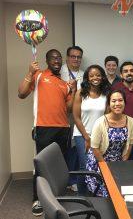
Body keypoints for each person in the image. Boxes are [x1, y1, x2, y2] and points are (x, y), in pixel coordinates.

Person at [18, 49, 77, 216]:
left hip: (63, 129)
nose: (57, 60)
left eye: (59, 58)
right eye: (53, 58)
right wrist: (29, 72)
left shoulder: (64, 83)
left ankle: (55, 196)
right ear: (47, 60)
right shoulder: (38, 75)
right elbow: (21, 93)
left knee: (59, 165)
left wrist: (72, 91)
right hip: (44, 128)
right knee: (41, 164)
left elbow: (68, 109)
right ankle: (37, 199)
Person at [86, 90, 133, 197]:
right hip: (99, 162)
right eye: (113, 101)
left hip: (117, 162)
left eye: (120, 100)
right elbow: (94, 148)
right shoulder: (100, 122)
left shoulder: (130, 121)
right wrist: (105, 167)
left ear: (125, 103)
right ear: (109, 104)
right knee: (106, 195)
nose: (117, 104)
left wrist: (123, 161)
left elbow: (130, 143)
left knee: (121, 193)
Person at [72, 65, 110, 195]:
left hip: (99, 137)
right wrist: (87, 137)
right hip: (82, 135)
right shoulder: (80, 93)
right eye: (92, 75)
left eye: (98, 75)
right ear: (87, 78)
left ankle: (95, 193)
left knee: (97, 166)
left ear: (102, 77)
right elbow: (76, 117)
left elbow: (107, 117)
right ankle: (82, 196)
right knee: (85, 166)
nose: (95, 78)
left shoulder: (106, 94)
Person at [60, 46, 84, 192]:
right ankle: (61, 180)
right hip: (61, 116)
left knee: (75, 148)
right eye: (73, 56)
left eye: (79, 57)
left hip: (78, 117)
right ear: (67, 57)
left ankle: (73, 179)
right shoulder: (60, 72)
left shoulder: (84, 73)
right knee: (63, 149)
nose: (76, 59)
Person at [112, 61, 133, 159]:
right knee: (119, 165)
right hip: (118, 133)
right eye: (125, 71)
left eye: (131, 71)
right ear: (121, 75)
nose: (129, 73)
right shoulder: (115, 89)